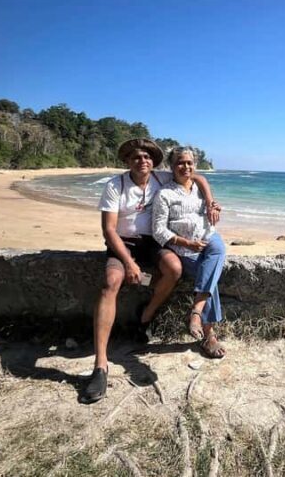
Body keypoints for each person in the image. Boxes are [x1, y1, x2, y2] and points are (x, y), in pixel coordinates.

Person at [82, 138, 220, 403]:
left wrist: (211, 201)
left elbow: (198, 177)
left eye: (147, 157)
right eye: (136, 157)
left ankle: (145, 317)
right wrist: (130, 263)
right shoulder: (115, 185)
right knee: (111, 282)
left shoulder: (159, 177)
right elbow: (109, 230)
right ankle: (100, 365)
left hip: (153, 243)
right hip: (123, 244)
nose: (142, 161)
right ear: (127, 161)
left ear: (153, 162)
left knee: (174, 268)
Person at [152, 147, 227, 359]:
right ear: (171, 166)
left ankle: (196, 310)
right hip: (184, 248)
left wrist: (214, 206)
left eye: (189, 163)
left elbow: (204, 186)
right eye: (180, 163)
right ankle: (209, 334)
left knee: (219, 249)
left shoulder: (199, 188)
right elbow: (158, 230)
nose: (185, 167)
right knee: (209, 275)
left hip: (208, 236)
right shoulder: (164, 194)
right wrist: (186, 242)